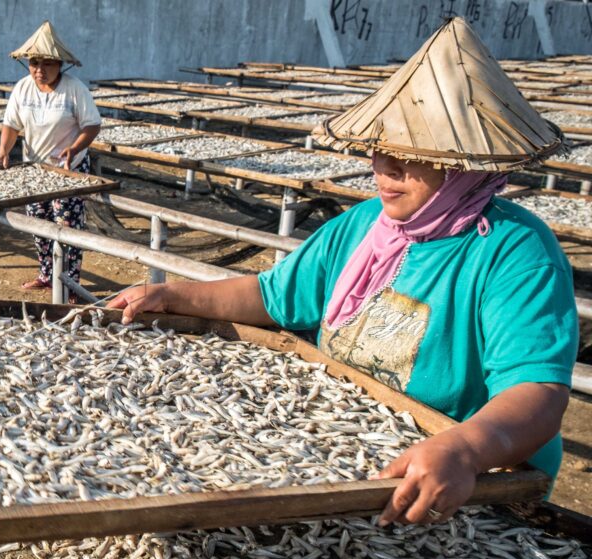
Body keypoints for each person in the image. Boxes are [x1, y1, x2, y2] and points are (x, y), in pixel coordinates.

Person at [109, 18, 577, 527]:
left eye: (411, 155)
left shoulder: (516, 250)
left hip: (465, 481)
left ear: (465, 164)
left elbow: (536, 393)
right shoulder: (361, 227)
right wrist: (174, 295)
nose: (384, 169)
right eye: (381, 150)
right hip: (354, 447)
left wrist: (463, 449)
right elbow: (272, 297)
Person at [0, 21, 102, 297]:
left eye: (48, 64)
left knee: (67, 229)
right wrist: (3, 151)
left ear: (60, 65)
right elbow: (11, 125)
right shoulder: (22, 88)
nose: (40, 69)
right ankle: (46, 275)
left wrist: (74, 149)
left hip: (68, 170)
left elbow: (91, 126)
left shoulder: (75, 90)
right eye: (34, 63)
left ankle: (70, 283)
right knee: (39, 226)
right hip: (35, 170)